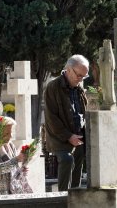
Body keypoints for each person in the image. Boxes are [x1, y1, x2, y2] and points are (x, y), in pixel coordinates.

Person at [44, 54, 89, 191]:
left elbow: (82, 111)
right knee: (67, 160)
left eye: (83, 76)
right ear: (68, 70)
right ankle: (63, 199)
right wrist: (69, 136)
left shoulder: (79, 89)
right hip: (60, 138)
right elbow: (52, 118)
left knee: (78, 166)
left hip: (78, 135)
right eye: (79, 75)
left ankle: (75, 198)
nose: (80, 79)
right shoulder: (53, 87)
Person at [0, 117, 31, 195]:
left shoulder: (10, 145)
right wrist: (16, 159)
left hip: (12, 191)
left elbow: (12, 169)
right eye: (7, 133)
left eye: (11, 132)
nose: (10, 136)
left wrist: (21, 170)